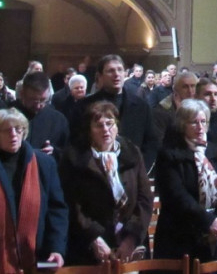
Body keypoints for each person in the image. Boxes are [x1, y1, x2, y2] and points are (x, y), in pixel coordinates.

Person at [0, 108, 67, 273]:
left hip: (37, 260)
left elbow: (57, 210)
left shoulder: (45, 164)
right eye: (7, 130)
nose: (14, 135)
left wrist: (56, 248)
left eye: (18, 129)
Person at [59, 101, 151, 264]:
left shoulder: (132, 152)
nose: (105, 130)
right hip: (91, 245)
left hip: (130, 243)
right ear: (89, 130)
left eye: (110, 124)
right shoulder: (75, 158)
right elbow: (73, 204)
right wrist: (94, 238)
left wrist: (131, 237)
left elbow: (145, 198)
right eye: (98, 125)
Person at [154, 99, 217, 263]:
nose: (200, 127)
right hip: (180, 235)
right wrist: (208, 221)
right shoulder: (169, 154)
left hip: (214, 232)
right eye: (194, 122)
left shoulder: (214, 151)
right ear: (182, 125)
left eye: (203, 122)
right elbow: (176, 195)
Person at [70, 54, 159, 171]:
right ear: (100, 76)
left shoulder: (141, 106)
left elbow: (151, 142)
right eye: (110, 71)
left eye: (119, 70)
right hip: (95, 171)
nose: (116, 74)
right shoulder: (85, 106)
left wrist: (140, 168)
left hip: (132, 170)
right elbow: (76, 142)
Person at [14, 71, 70, 161]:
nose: (38, 105)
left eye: (43, 100)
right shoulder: (9, 116)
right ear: (22, 94)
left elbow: (67, 152)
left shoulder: (58, 120)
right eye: (33, 100)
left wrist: (54, 151)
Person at [153, 70, 198, 142]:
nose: (190, 91)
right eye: (185, 87)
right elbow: (159, 141)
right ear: (175, 89)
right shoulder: (162, 111)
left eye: (193, 86)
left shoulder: (199, 104)